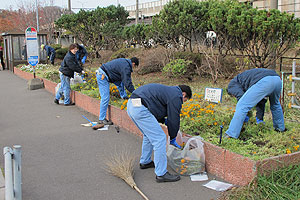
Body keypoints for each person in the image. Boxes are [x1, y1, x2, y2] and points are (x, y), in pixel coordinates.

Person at [127, 83, 192, 183]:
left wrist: (163, 120)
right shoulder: (176, 96)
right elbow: (174, 118)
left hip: (132, 105)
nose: (182, 103)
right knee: (160, 138)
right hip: (141, 108)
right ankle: (161, 174)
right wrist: (173, 137)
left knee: (148, 135)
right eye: (185, 100)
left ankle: (145, 161)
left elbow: (156, 106)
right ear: (183, 95)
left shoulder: (169, 91)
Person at [225, 68, 286, 139]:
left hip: (265, 81)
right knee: (275, 105)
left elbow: (241, 98)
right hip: (277, 80)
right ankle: (280, 128)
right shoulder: (244, 79)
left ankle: (231, 134)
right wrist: (259, 118)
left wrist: (245, 116)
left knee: (242, 105)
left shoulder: (232, 85)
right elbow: (261, 101)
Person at [95, 57, 139, 127]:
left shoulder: (123, 62)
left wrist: (124, 97)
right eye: (134, 66)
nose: (133, 68)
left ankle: (123, 96)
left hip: (105, 73)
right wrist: (136, 93)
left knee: (120, 83)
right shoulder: (126, 67)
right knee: (105, 98)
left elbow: (121, 83)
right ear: (133, 64)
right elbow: (127, 83)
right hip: (102, 76)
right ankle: (101, 119)